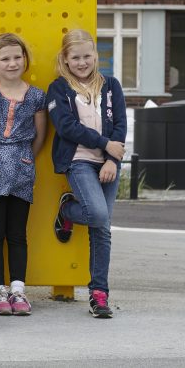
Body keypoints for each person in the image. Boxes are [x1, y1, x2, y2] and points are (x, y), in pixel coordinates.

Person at [47, 29, 126, 319]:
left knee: (101, 228)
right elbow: (66, 127)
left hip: (107, 162)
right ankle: (68, 209)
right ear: (66, 60)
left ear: (96, 56)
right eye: (75, 57)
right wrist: (104, 144)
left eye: (87, 56)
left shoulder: (111, 86)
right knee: (99, 215)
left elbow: (120, 126)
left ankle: (99, 293)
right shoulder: (59, 89)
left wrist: (111, 160)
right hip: (78, 160)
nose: (82, 62)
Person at [0, 33, 47, 316]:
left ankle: (18, 289)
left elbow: (40, 136)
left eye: (17, 57)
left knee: (17, 233)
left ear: (25, 60)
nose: (12, 63)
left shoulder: (37, 96)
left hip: (21, 167)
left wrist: (26, 157)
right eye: (5, 58)